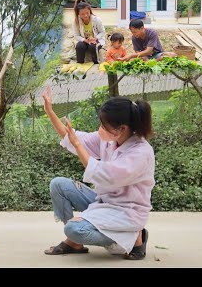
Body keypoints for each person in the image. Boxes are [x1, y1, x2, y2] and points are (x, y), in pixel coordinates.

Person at [41, 86, 155, 260]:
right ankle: (75, 242)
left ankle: (133, 237)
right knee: (58, 185)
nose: (100, 128)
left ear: (121, 129)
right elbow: (72, 137)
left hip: (127, 212)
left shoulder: (140, 153)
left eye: (103, 125)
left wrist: (78, 146)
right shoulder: (111, 140)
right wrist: (49, 111)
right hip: (104, 201)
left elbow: (106, 175)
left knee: (74, 229)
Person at [72, 0, 106, 64]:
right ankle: (80, 63)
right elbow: (76, 36)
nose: (85, 15)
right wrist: (84, 40)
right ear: (78, 14)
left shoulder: (96, 20)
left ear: (90, 11)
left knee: (92, 46)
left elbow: (102, 32)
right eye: (82, 14)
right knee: (79, 46)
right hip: (85, 40)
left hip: (97, 40)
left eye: (87, 13)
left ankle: (96, 63)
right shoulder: (75, 22)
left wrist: (95, 38)